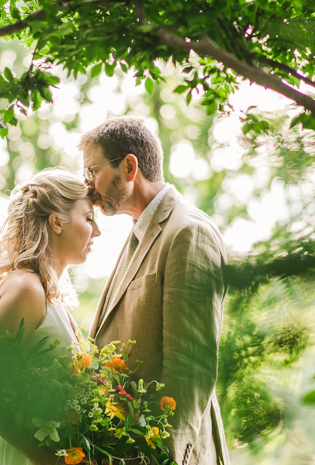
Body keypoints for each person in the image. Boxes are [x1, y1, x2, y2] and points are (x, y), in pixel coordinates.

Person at [80, 117, 230, 465]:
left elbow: (191, 368)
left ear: (129, 167)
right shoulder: (138, 233)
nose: (87, 185)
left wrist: (160, 458)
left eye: (91, 170)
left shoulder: (188, 233)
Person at [0, 168, 101, 465]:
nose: (97, 231)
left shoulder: (52, 297)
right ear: (56, 222)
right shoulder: (26, 289)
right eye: (89, 218)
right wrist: (49, 460)